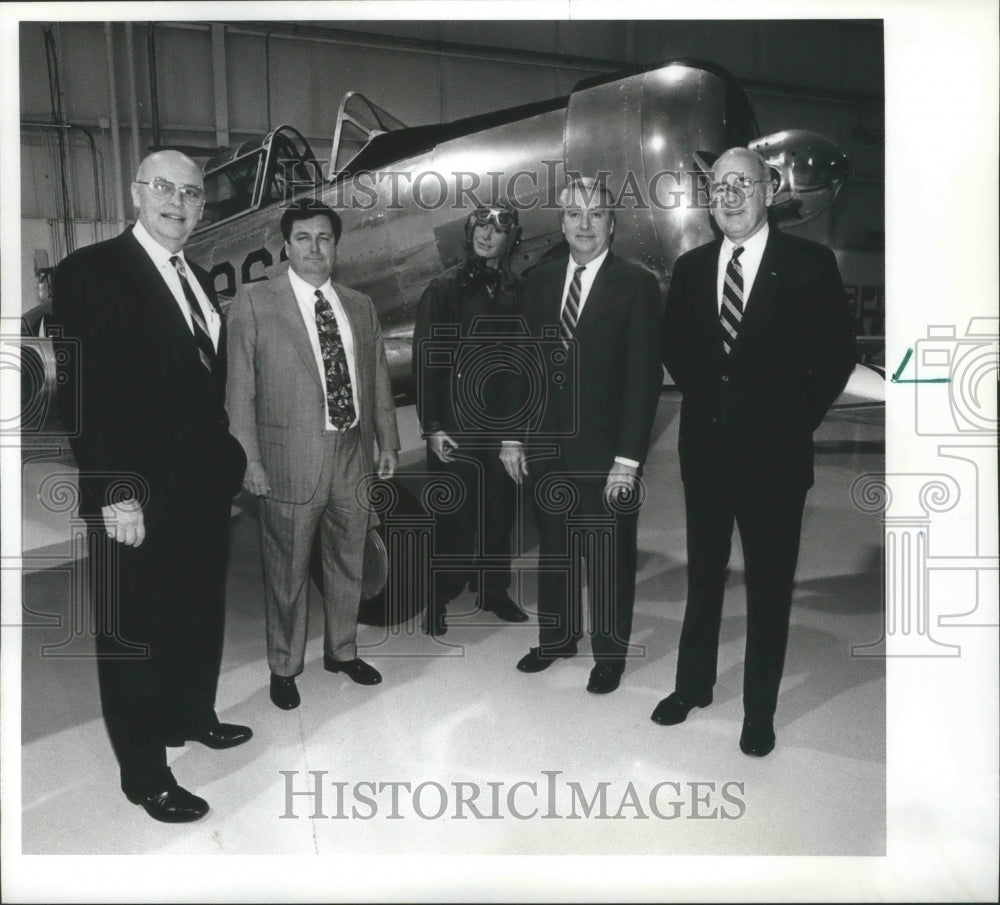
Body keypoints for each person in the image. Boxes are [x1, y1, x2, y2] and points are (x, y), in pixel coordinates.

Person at [51, 151, 251, 823]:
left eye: (192, 193)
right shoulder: (91, 271)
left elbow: (200, 386)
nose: (178, 201)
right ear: (135, 191)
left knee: (195, 611)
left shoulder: (194, 274)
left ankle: (191, 713)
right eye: (163, 187)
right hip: (135, 493)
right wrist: (113, 491)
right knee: (133, 631)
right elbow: (84, 396)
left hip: (199, 486)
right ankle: (144, 773)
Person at [652, 146, 855, 756]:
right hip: (706, 454)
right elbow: (677, 348)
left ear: (768, 189)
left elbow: (835, 355)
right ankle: (693, 687)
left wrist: (794, 419)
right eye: (719, 186)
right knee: (704, 579)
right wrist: (714, 398)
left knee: (769, 588)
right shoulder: (691, 268)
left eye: (743, 183)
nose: (731, 195)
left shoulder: (809, 264)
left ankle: (758, 712)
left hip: (776, 459)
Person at [226, 199, 399, 711]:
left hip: (352, 452)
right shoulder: (255, 301)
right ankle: (284, 665)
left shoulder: (359, 305)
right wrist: (248, 460)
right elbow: (240, 391)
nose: (315, 248)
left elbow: (378, 379)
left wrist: (387, 440)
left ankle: (342, 651)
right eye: (303, 238)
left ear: (337, 245)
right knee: (288, 571)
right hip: (288, 459)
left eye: (324, 238)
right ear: (286, 246)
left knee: (349, 558)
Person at [501, 178, 663, 695]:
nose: (585, 225)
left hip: (607, 454)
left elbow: (644, 377)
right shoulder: (541, 280)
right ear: (562, 223)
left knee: (609, 553)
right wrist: (512, 437)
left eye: (595, 215)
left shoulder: (637, 283)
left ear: (612, 223)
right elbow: (521, 366)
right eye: (575, 215)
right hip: (547, 448)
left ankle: (609, 653)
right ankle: (558, 638)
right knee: (555, 549)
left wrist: (629, 459)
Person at [412, 202, 530, 636]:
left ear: (511, 239)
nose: (487, 235)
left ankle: (494, 591)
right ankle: (438, 598)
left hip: (500, 427)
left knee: (500, 513)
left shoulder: (520, 290)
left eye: (498, 229)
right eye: (480, 226)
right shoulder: (442, 290)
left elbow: (525, 365)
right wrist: (434, 426)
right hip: (456, 427)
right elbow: (428, 361)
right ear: (469, 232)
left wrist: (515, 435)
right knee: (451, 516)